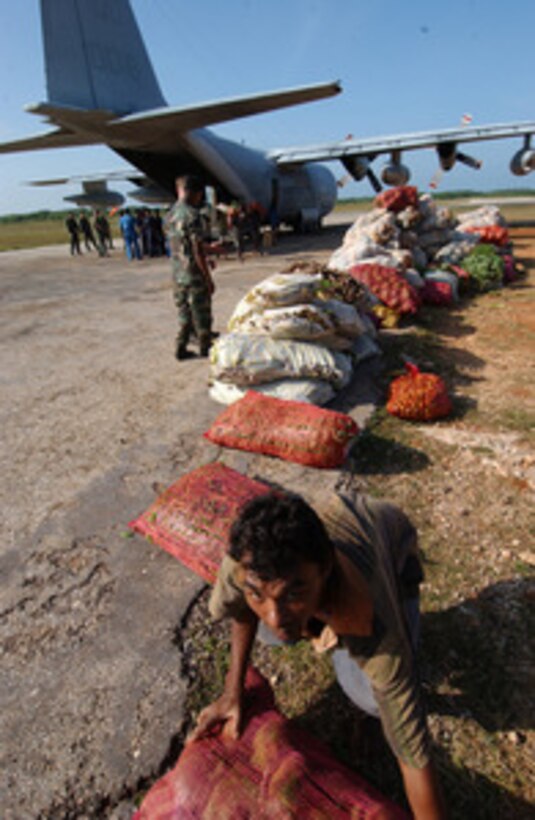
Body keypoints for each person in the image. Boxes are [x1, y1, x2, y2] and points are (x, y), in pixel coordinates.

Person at [188, 489, 446, 820]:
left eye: (293, 594)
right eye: (258, 594)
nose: (275, 615)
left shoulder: (377, 626)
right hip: (335, 523)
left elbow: (414, 757)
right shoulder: (245, 561)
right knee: (273, 633)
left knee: (368, 696)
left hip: (393, 549)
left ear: (325, 571)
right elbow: (241, 607)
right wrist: (231, 691)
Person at [165, 175, 215, 360]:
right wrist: (208, 278)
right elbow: (197, 250)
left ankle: (181, 346)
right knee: (202, 312)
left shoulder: (170, 215)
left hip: (177, 273)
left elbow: (180, 244)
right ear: (196, 194)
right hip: (193, 274)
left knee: (184, 313)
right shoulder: (194, 216)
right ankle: (205, 347)